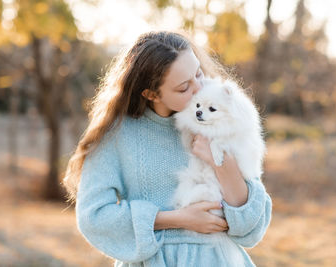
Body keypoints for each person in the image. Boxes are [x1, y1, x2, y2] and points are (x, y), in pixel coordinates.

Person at [63, 31, 272, 267]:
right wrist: (177, 220)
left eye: (198, 74)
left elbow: (252, 224)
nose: (199, 87)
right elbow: (94, 217)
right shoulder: (118, 136)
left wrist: (219, 160)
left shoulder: (221, 119)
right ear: (152, 94)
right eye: (184, 87)